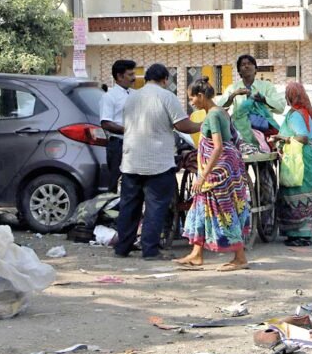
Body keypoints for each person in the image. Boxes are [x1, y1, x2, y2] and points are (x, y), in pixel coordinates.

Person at [115, 63, 201, 261]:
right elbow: (182, 125)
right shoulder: (166, 96)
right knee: (155, 206)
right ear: (164, 80)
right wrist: (202, 125)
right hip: (158, 162)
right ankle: (150, 250)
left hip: (131, 160)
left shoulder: (131, 97)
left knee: (129, 206)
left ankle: (122, 247)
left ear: (146, 79)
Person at [176, 77, 250, 271]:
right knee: (200, 209)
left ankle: (240, 258)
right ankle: (196, 254)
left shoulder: (213, 116)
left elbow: (217, 147)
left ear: (201, 96)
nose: (191, 102)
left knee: (223, 212)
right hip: (222, 167)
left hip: (219, 172)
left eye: (192, 98)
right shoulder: (219, 112)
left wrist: (202, 176)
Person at [271, 82, 312, 247]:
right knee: (304, 194)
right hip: (307, 156)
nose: (286, 97)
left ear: (292, 96)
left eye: (287, 94)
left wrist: (281, 138)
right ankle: (302, 232)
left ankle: (300, 235)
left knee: (296, 193)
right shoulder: (306, 112)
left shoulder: (296, 115)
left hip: (299, 158)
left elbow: (303, 137)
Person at [217, 55, 285, 148]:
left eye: (249, 63)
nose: (246, 66)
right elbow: (219, 108)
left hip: (263, 132)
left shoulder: (267, 86)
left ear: (256, 69)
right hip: (241, 134)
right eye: (243, 64)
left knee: (263, 159)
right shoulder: (233, 88)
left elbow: (280, 108)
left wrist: (264, 100)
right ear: (239, 71)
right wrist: (233, 95)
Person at [100, 59, 136, 194]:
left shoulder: (134, 94)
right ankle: (113, 212)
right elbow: (105, 123)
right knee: (115, 180)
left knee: (132, 181)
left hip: (135, 143)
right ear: (120, 76)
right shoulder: (110, 97)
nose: (134, 78)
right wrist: (128, 130)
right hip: (118, 144)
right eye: (130, 74)